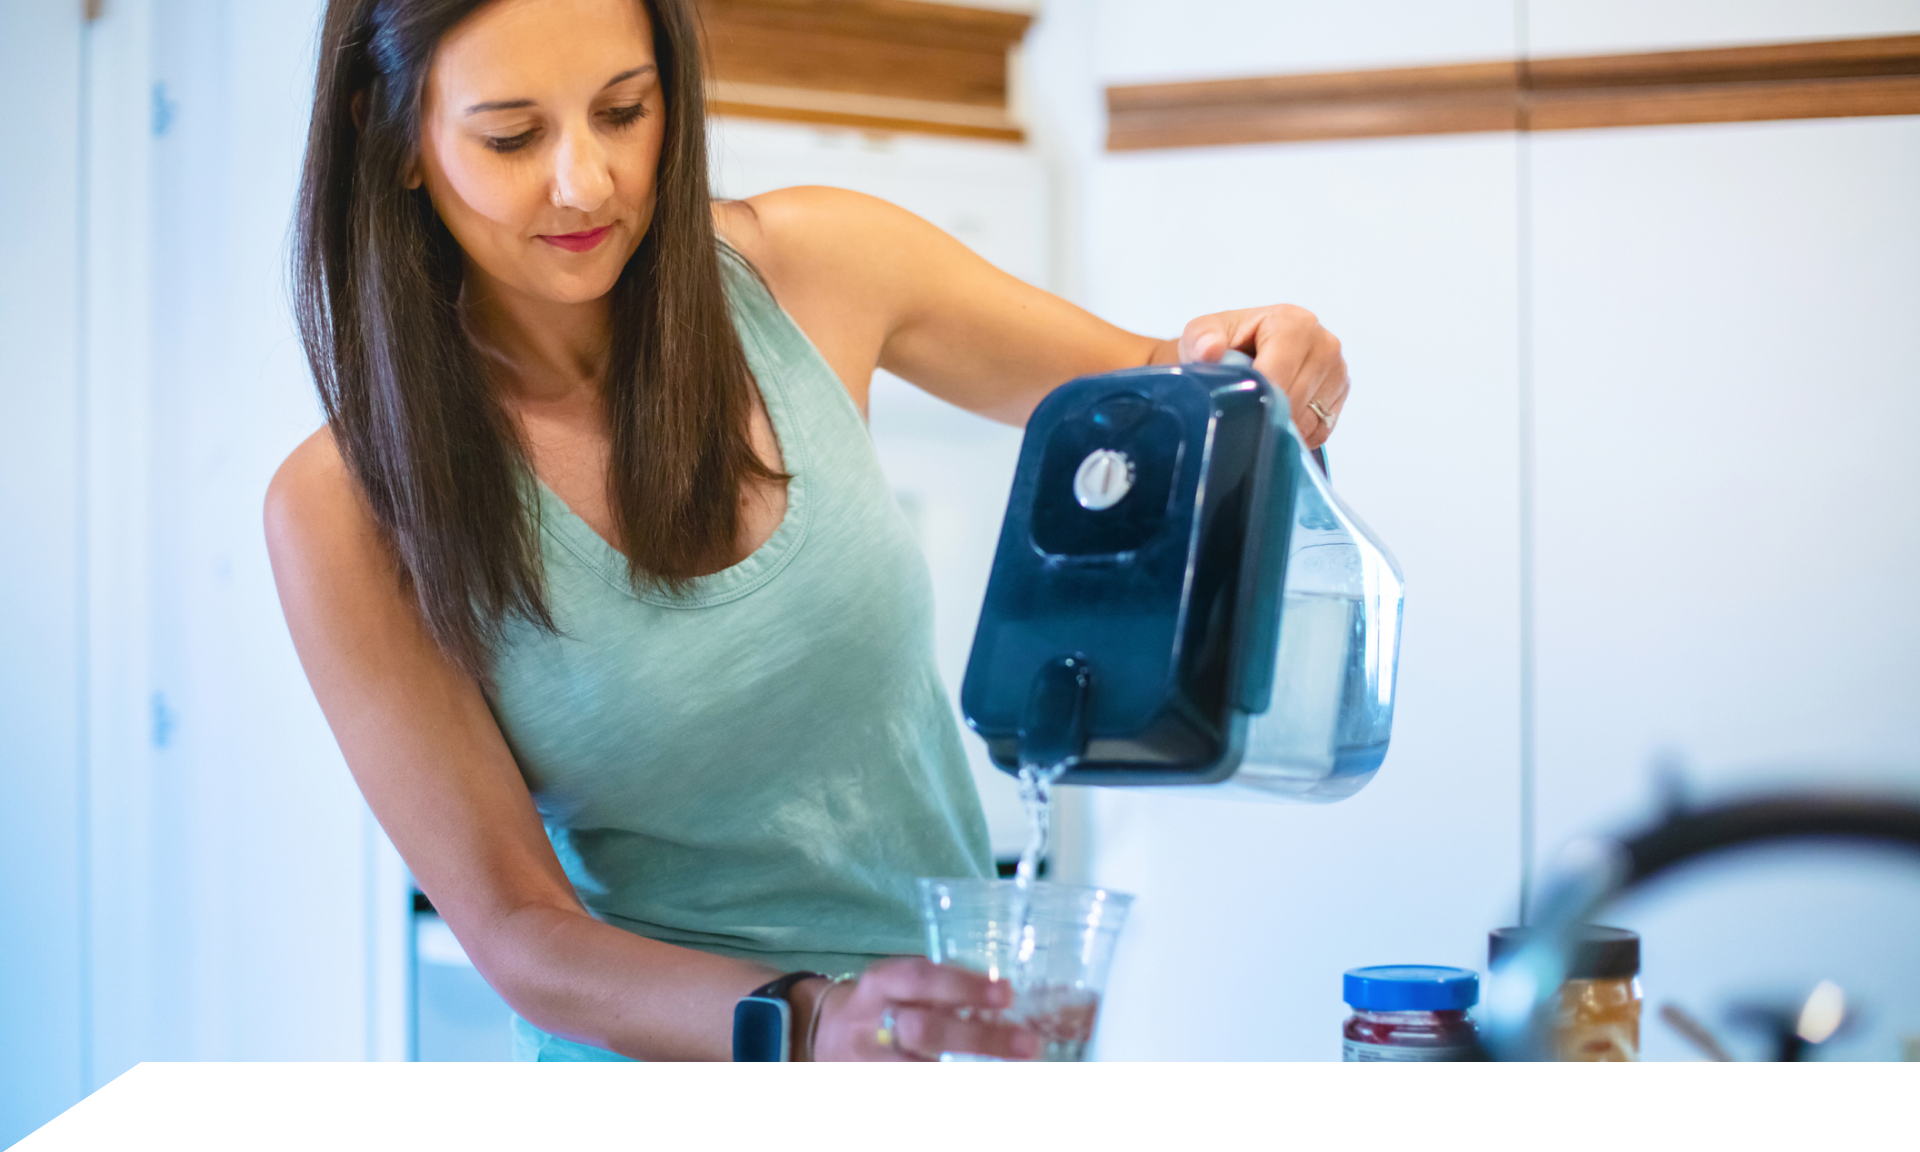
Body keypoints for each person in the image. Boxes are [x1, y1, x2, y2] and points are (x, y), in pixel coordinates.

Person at [266, 0, 1350, 1061]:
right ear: (393, 134)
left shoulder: (816, 265)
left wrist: (1265, 357)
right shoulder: (344, 509)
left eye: (623, 112)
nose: (584, 182)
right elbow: (521, 935)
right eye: (512, 135)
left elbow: (1171, 394)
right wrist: (814, 1019)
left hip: (944, 1035)